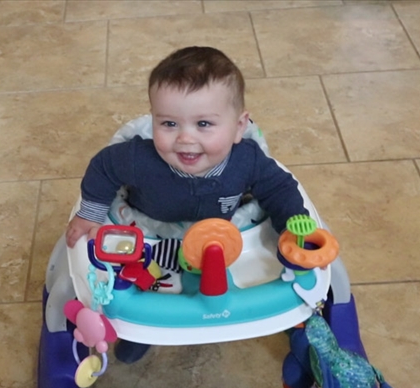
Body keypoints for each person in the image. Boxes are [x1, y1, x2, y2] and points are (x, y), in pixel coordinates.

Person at [66, 46, 310, 363]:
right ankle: (141, 329)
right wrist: (91, 213)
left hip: (225, 240)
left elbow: (279, 188)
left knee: (281, 277)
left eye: (204, 124)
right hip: (151, 238)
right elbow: (103, 167)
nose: (185, 138)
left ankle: (294, 317)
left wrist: (292, 225)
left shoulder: (247, 160)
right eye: (169, 124)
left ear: (239, 127)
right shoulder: (139, 159)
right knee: (134, 290)